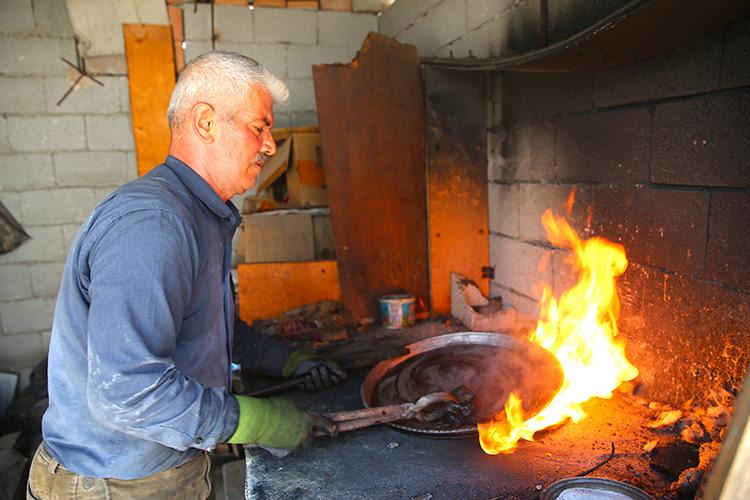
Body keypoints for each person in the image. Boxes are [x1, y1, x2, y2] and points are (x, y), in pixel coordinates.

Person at [27, 51, 345, 499]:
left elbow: (213, 327)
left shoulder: (200, 216)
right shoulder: (154, 222)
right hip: (116, 484)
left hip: (157, 469)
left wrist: (290, 361)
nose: (271, 145)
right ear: (206, 122)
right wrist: (259, 421)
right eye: (260, 126)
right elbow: (128, 389)